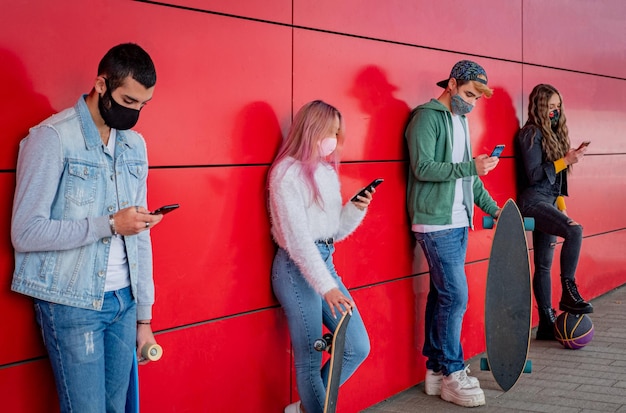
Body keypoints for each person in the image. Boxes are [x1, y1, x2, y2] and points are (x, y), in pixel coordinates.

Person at [11, 43, 164, 412]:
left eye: (142, 105)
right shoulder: (51, 138)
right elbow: (26, 232)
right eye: (128, 101)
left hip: (124, 303)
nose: (134, 112)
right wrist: (110, 224)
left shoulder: (134, 145)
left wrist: (144, 315)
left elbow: (139, 236)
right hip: (71, 303)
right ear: (100, 84)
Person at [405, 60, 501, 408]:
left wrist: (495, 210)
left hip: (459, 222)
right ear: (451, 83)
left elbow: (469, 179)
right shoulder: (426, 118)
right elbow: (424, 167)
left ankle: (435, 369)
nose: (472, 102)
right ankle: (452, 372)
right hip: (435, 222)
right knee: (456, 297)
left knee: (442, 296)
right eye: (469, 94)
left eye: (477, 98)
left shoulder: (460, 120)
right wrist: (469, 166)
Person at [268, 100, 373, 413]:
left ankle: (304, 410)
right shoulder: (286, 175)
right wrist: (327, 288)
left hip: (324, 263)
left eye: (339, 133)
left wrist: (355, 209)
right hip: (295, 270)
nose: (337, 140)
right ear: (312, 130)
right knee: (310, 359)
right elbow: (298, 242)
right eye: (332, 132)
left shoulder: (325, 172)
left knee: (357, 346)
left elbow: (333, 232)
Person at [515, 83, 593, 340]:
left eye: (558, 106)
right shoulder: (530, 134)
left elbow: (556, 185)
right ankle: (569, 293)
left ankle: (547, 323)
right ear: (539, 106)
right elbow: (535, 175)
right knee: (575, 231)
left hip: (548, 203)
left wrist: (563, 209)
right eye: (550, 106)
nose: (555, 111)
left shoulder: (553, 135)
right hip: (532, 202)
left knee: (543, 266)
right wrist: (566, 160)